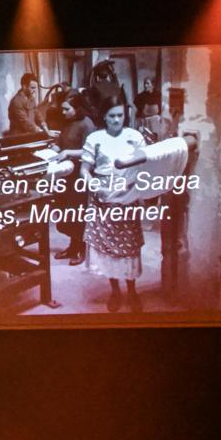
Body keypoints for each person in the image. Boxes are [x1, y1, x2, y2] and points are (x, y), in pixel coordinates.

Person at [81, 100, 148, 312]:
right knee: (108, 246)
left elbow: (145, 166)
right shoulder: (95, 139)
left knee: (128, 246)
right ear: (104, 117)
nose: (117, 120)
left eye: (120, 115)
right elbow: (84, 170)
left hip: (127, 196)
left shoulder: (134, 137)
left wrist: (137, 188)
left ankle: (132, 290)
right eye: (112, 116)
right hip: (103, 197)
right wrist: (94, 186)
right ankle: (115, 291)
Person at [52, 93, 96, 264]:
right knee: (68, 212)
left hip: (81, 173)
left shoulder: (87, 124)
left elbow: (90, 151)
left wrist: (67, 152)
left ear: (77, 108)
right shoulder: (67, 122)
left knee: (79, 213)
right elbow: (61, 142)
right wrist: (53, 149)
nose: (63, 112)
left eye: (66, 109)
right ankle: (72, 247)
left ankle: (81, 249)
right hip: (66, 173)